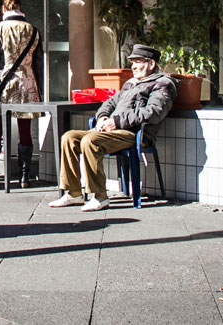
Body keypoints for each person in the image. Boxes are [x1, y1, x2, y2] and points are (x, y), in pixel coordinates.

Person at [49, 44, 178, 211]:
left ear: (151, 64)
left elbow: (154, 112)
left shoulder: (162, 84)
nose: (133, 66)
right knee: (69, 137)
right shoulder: (131, 83)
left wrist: (117, 121)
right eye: (132, 62)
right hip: (112, 131)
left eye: (138, 61)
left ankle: (99, 196)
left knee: (90, 140)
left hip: (134, 133)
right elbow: (109, 103)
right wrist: (102, 117)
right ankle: (74, 193)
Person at [0, 0, 43, 190]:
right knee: (25, 130)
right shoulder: (33, 31)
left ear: (3, 9)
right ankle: (24, 177)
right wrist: (38, 88)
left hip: (4, 86)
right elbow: (38, 64)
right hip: (28, 83)